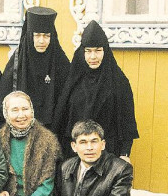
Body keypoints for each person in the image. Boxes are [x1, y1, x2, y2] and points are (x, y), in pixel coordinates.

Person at [54, 20, 138, 160]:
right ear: (82, 52)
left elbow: (127, 122)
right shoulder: (72, 81)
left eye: (98, 51)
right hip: (73, 155)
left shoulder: (119, 82)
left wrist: (124, 154)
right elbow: (61, 119)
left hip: (108, 154)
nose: (93, 57)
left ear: (105, 51)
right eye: (88, 51)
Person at [0, 7, 70, 129]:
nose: (41, 41)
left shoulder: (61, 64)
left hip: (55, 130)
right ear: (29, 36)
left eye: (46, 36)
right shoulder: (17, 64)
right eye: (37, 35)